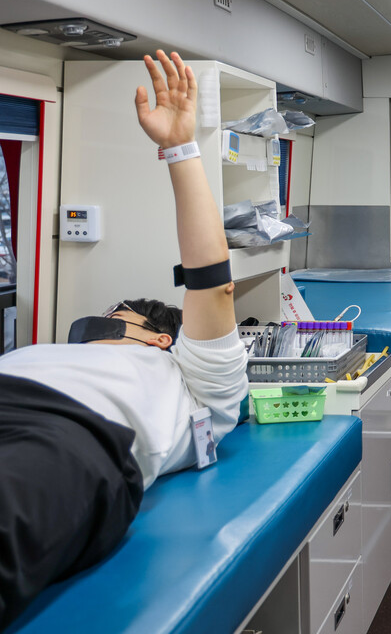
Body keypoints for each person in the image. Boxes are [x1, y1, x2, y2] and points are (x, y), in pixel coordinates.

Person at [0, 51, 248, 626]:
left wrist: (180, 149)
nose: (98, 324)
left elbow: (212, 283)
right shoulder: (41, 352)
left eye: (118, 318)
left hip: (70, 431)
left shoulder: (195, 386)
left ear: (161, 340)